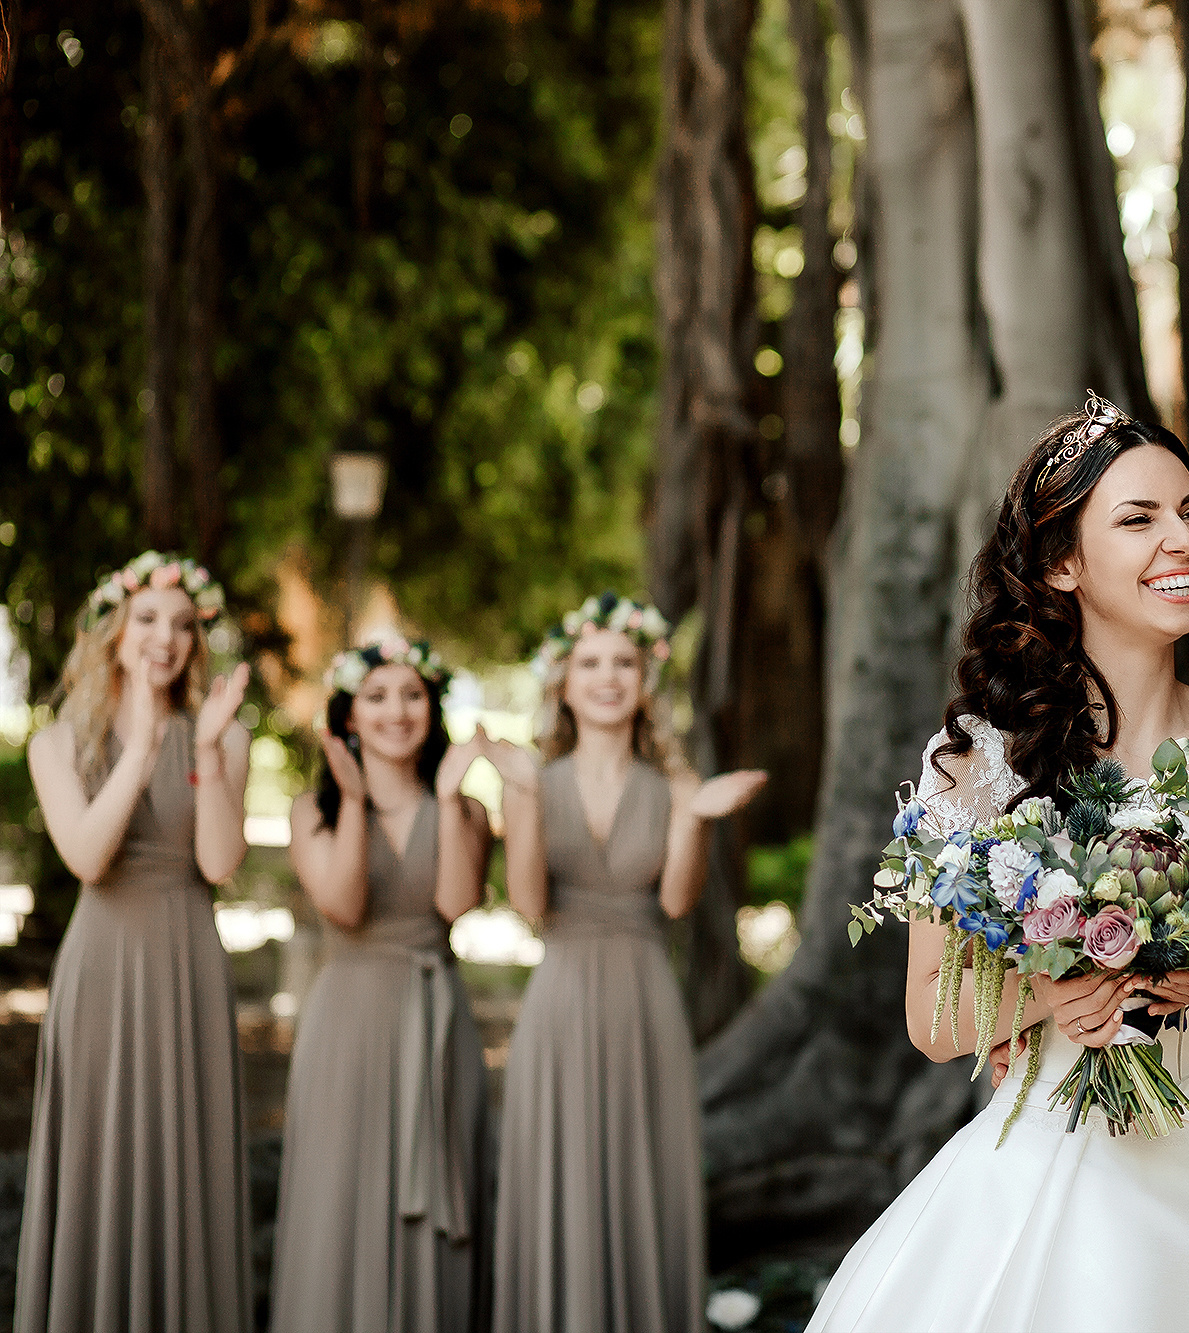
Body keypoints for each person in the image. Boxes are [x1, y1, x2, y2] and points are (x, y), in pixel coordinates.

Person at [808, 394, 1189, 1333]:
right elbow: (932, 1016)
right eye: (1137, 519)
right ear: (1062, 563)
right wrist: (1044, 994)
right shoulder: (980, 764)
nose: (1180, 540)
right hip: (1039, 1165)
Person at [483, 593, 766, 1333]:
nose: (607, 676)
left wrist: (697, 820)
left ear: (645, 681)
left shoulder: (674, 787)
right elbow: (527, 900)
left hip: (644, 995)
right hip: (562, 994)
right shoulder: (535, 781)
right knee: (561, 1169)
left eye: (623, 662)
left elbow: (675, 901)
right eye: (591, 662)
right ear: (564, 682)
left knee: (642, 1169)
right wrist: (518, 800)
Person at [15, 552, 252, 1333]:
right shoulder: (57, 743)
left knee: (187, 1164)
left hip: (188, 964)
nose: (167, 637)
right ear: (112, 628)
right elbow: (86, 855)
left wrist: (206, 752)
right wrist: (144, 748)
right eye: (148, 618)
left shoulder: (221, 737)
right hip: (105, 967)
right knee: (100, 1165)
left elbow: (218, 862)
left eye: (185, 624)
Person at [270, 637, 494, 1333]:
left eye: (412, 694)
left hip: (437, 1019)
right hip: (349, 1023)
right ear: (348, 716)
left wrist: (452, 795)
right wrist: (359, 798)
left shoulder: (468, 810)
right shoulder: (316, 810)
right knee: (341, 1198)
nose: (397, 710)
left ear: (432, 707)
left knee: (439, 1209)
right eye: (377, 696)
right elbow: (344, 905)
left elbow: (456, 903)